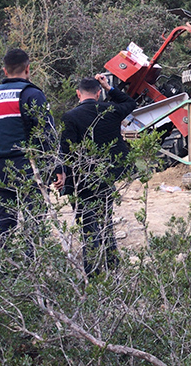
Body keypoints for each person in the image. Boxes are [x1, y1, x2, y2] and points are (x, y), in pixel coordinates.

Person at [55, 74, 137, 275]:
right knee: (105, 223)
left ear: (78, 94)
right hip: (106, 177)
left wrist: (60, 174)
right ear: (99, 93)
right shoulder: (111, 110)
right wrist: (110, 87)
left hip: (80, 180)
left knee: (88, 227)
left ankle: (92, 273)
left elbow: (64, 150)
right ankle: (112, 268)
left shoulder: (70, 117)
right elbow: (130, 102)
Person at [0, 48, 55, 242]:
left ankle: (6, 270)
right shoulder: (32, 94)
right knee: (34, 221)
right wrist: (54, 165)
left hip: (2, 168)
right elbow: (48, 134)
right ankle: (32, 268)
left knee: (6, 223)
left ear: (5, 70)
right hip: (30, 166)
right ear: (28, 69)